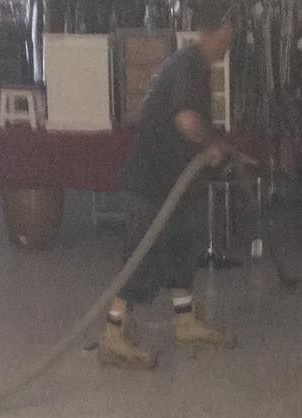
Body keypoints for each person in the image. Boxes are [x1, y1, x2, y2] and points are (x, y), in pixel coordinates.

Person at [97, 0, 237, 369]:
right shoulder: (190, 65)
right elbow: (188, 121)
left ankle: (186, 320)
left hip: (168, 181)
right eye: (230, 29)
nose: (233, 38)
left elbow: (143, 113)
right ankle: (113, 335)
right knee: (141, 259)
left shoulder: (185, 63)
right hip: (151, 184)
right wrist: (212, 147)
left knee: (179, 249)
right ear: (216, 30)